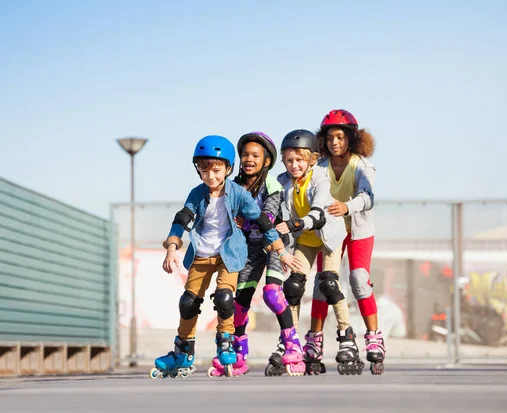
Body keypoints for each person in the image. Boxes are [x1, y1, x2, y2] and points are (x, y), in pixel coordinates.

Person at [150, 135, 301, 379]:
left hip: (229, 255)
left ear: (228, 169)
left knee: (225, 298)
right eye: (204, 169)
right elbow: (182, 219)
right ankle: (183, 351)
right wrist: (172, 247)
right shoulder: (197, 194)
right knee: (188, 303)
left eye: (217, 170)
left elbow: (262, 220)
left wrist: (281, 251)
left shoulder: (239, 193)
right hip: (201, 255)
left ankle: (227, 343)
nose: (211, 176)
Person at [206, 132, 306, 377]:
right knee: (239, 302)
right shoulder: (233, 185)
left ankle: (293, 345)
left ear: (267, 161)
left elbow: (268, 218)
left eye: (255, 155)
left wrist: (245, 221)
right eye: (245, 155)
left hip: (273, 243)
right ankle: (239, 353)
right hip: (248, 248)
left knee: (272, 294)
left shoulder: (271, 185)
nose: (248, 159)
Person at [276, 129, 364, 375]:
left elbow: (317, 212)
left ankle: (346, 335)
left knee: (329, 283)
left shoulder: (320, 178)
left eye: (300, 160)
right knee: (292, 287)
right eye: (289, 160)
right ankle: (291, 342)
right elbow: (270, 208)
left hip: (328, 237)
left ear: (312, 160)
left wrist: (294, 224)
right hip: (304, 239)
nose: (294, 165)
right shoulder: (282, 181)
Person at [315, 109, 385, 374]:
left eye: (341, 137)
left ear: (352, 140)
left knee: (357, 278)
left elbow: (368, 197)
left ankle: (374, 338)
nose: (335, 143)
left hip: (358, 230)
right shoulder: (319, 166)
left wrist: (347, 207)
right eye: (331, 138)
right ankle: (315, 342)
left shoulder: (362, 166)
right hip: (331, 231)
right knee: (324, 281)